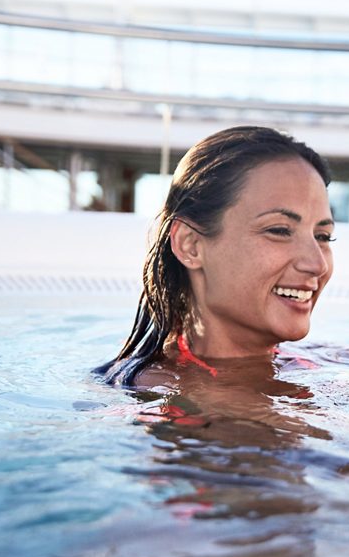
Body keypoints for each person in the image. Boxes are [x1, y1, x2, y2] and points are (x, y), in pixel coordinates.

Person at [100, 125, 335, 388]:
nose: (317, 264)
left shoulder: (322, 360)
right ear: (190, 245)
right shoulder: (166, 392)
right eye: (279, 230)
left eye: (323, 236)